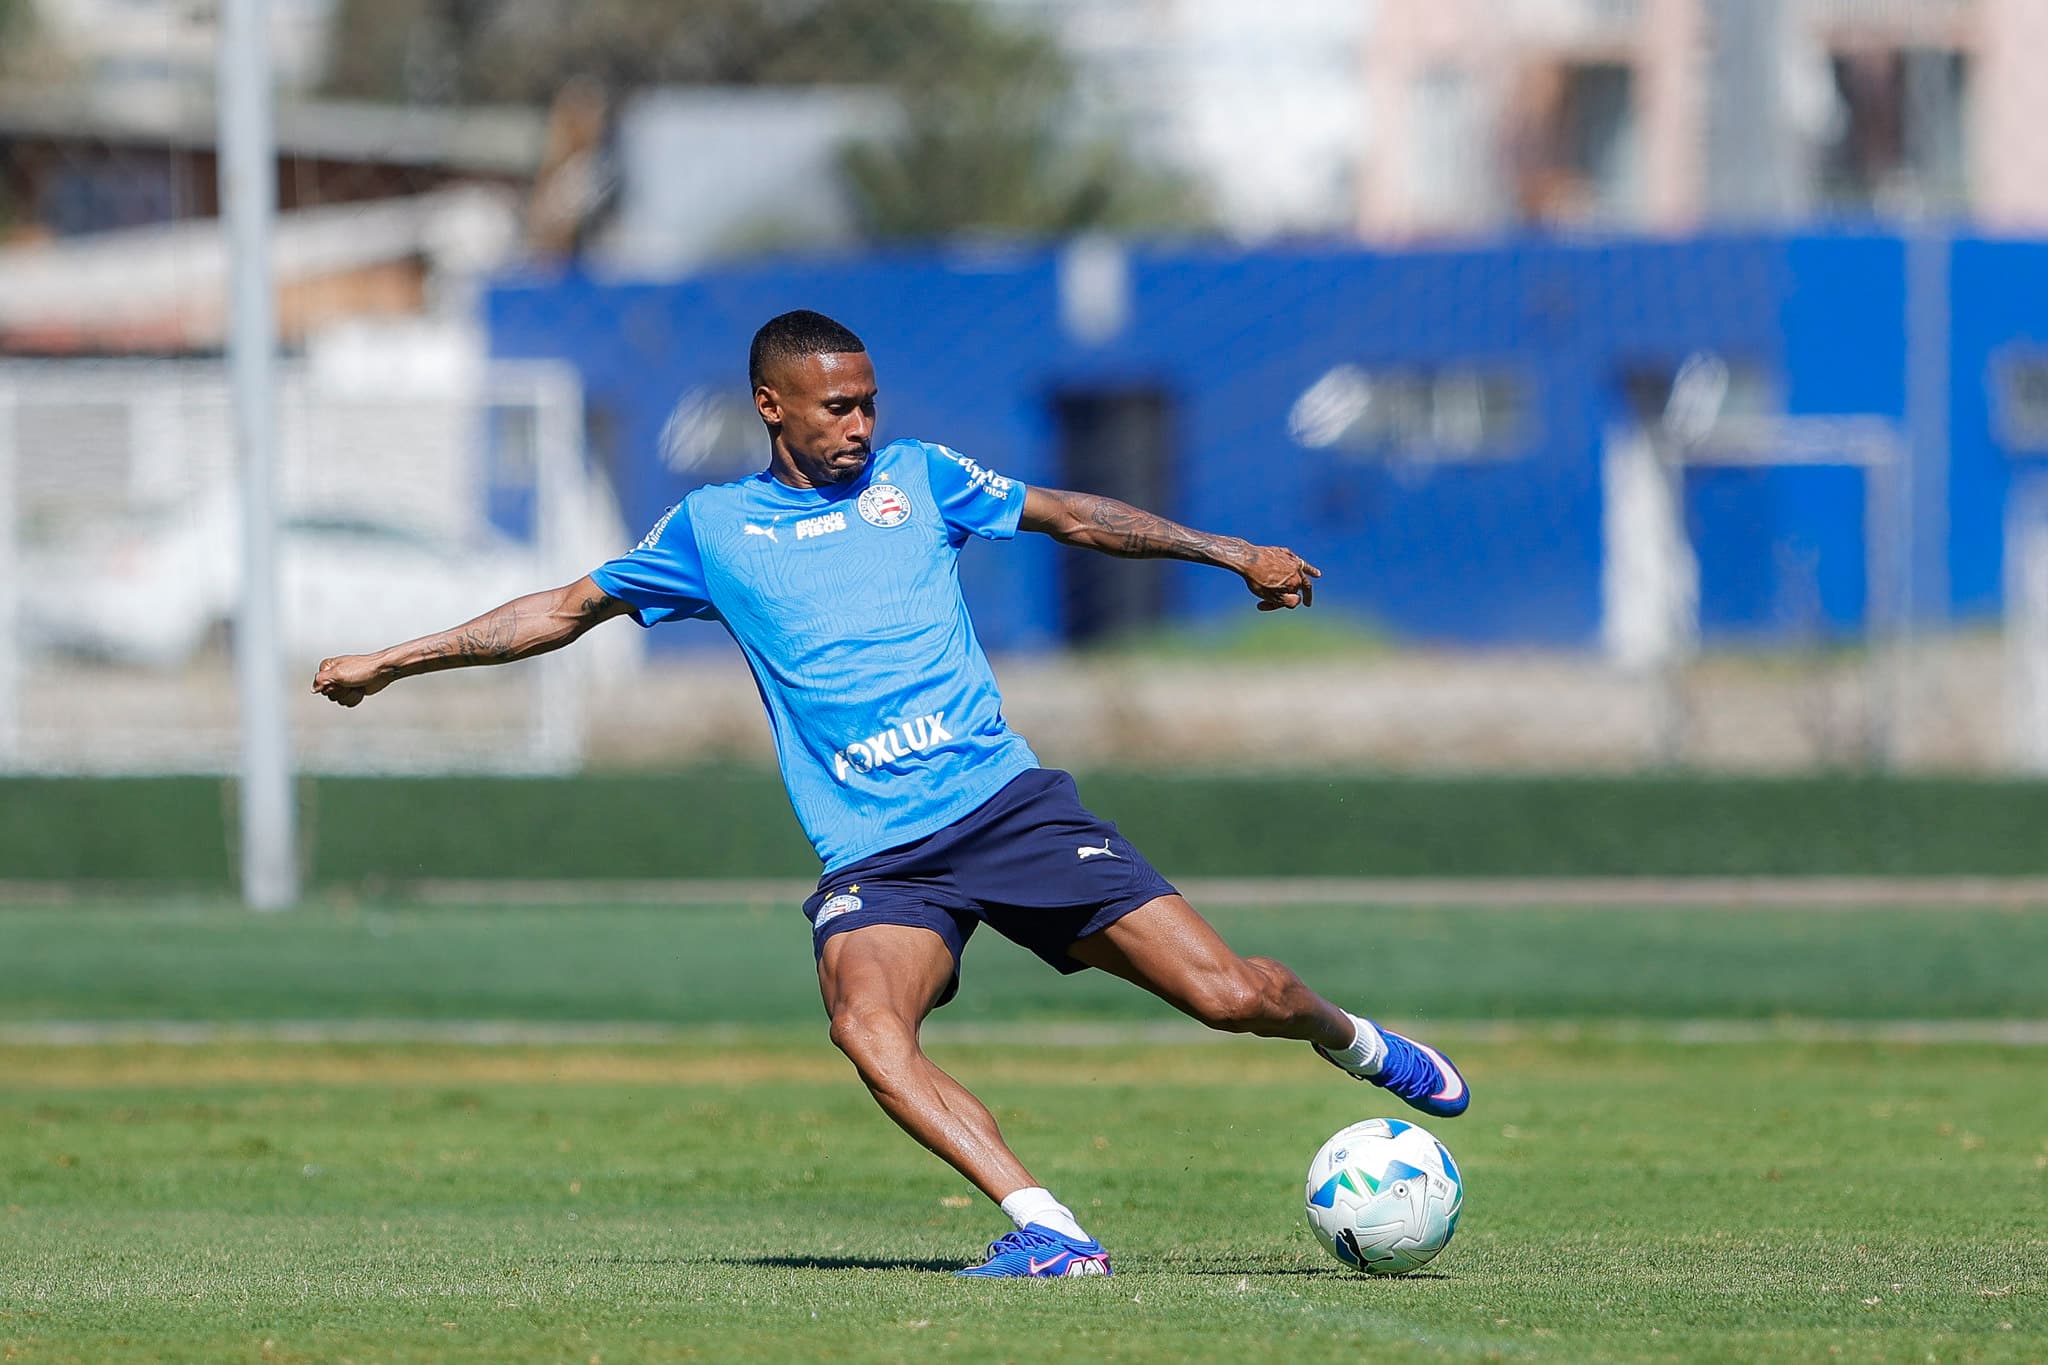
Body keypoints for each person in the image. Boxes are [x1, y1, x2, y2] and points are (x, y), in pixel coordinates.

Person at [313, 309, 1469, 1278]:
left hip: (1007, 811)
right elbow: (561, 609)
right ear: (772, 407)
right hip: (877, 856)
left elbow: (1072, 514)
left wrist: (1229, 552)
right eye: (836, 408)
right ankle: (1050, 1231)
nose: (862, 424)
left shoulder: (920, 481)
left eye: (868, 401)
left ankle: (1352, 1040)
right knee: (866, 1027)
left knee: (1230, 996)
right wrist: (390, 660)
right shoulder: (712, 530)